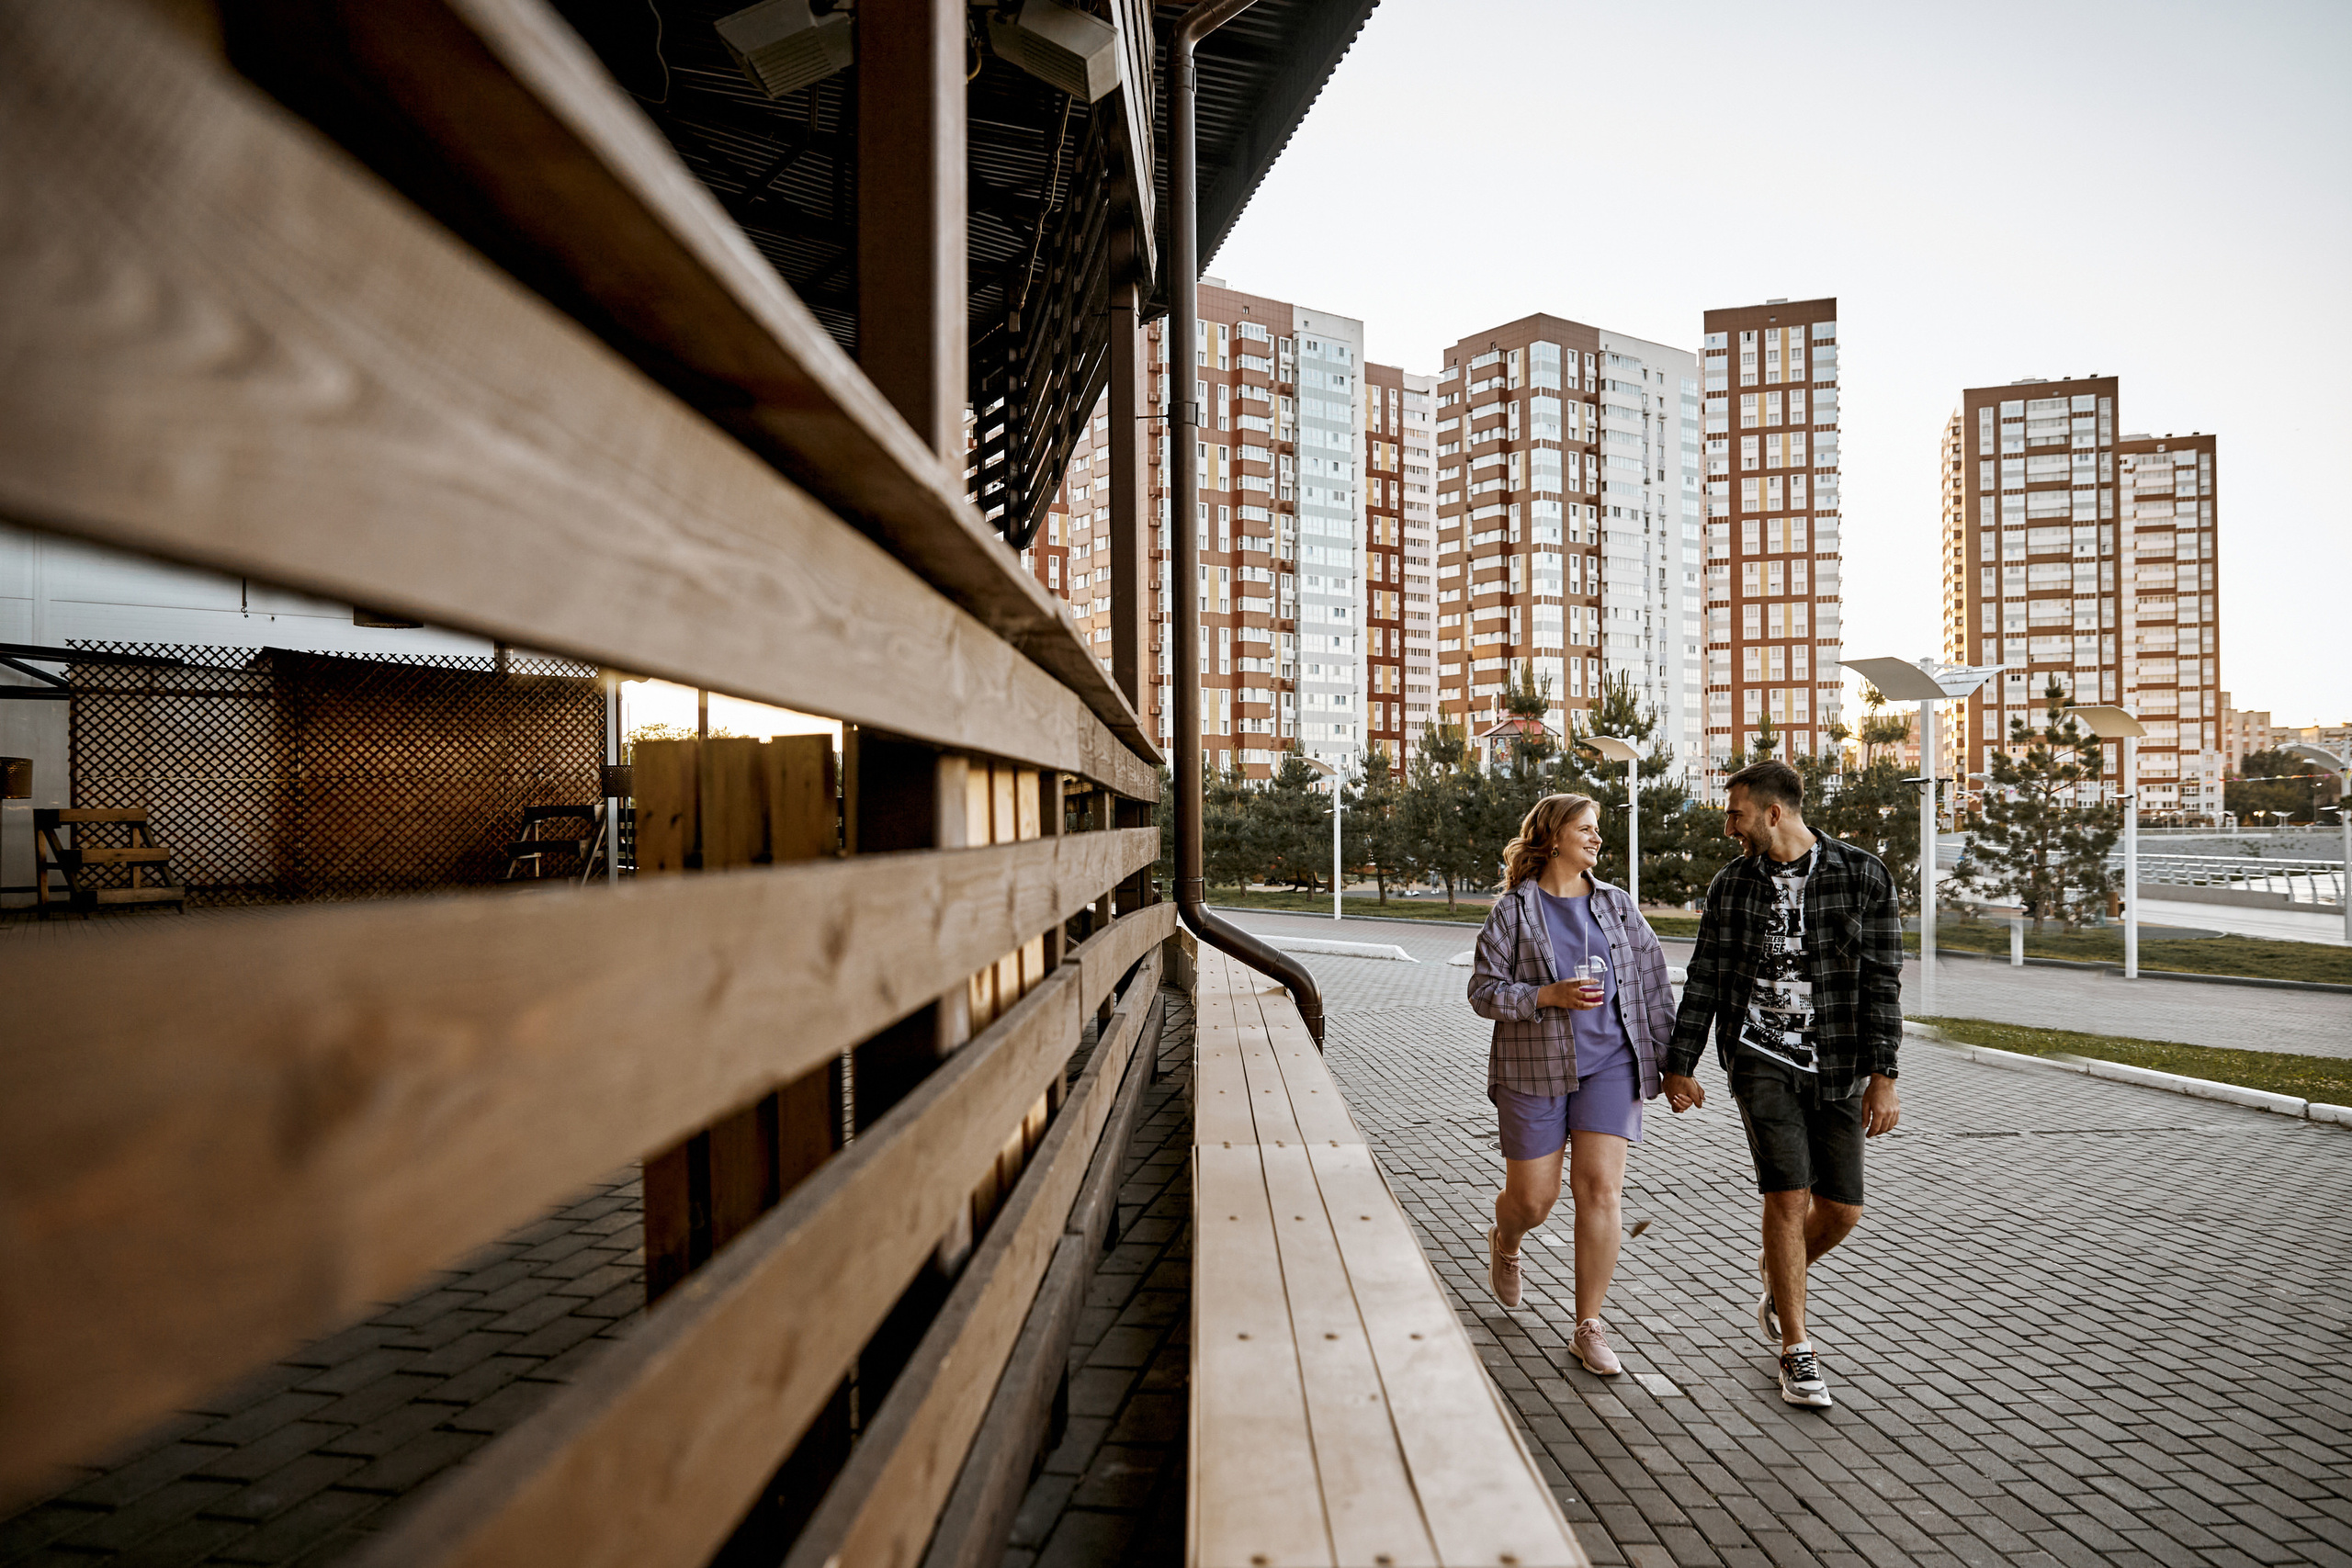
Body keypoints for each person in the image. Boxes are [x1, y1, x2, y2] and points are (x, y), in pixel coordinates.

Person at [1659, 758, 1903, 1409]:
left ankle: (1778, 1281)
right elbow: (1705, 975)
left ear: (1772, 812)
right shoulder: (1731, 885)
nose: (1730, 828)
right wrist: (1679, 1063)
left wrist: (1885, 1076)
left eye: (1736, 815)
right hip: (1760, 1057)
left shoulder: (1862, 875)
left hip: (1841, 1063)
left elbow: (1882, 982)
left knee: (1843, 1208)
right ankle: (1797, 1347)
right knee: (1788, 1199)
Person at [1468, 792, 1679, 1377]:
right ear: (1553, 837)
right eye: (1586, 829)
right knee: (1535, 1200)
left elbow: (1654, 987)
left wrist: (1672, 1065)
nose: (1597, 839)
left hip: (1612, 1063)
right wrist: (1546, 996)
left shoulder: (1615, 906)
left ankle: (1588, 1325)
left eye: (1598, 831)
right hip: (1534, 1068)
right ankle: (1507, 1240)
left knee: (1601, 1192)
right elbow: (1483, 992)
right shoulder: (1513, 911)